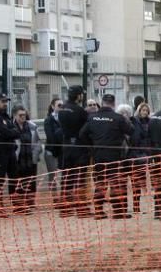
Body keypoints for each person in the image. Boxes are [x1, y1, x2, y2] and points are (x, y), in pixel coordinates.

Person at [79, 93, 132, 220]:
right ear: (113, 104)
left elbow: (82, 134)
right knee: (115, 184)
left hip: (98, 155)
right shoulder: (118, 117)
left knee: (100, 183)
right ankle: (118, 212)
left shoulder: (93, 118)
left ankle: (98, 211)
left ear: (102, 103)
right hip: (114, 155)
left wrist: (92, 146)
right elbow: (130, 131)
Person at [59, 86, 93, 218]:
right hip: (79, 146)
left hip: (66, 144)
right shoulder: (80, 111)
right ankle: (81, 208)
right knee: (80, 177)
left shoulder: (62, 109)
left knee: (67, 177)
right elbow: (85, 129)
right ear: (79, 96)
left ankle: (65, 208)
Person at [11, 106, 41, 214]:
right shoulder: (11, 127)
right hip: (18, 159)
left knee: (31, 181)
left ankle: (29, 202)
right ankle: (19, 205)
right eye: (20, 115)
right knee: (19, 181)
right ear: (14, 115)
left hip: (30, 157)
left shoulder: (32, 126)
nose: (23, 117)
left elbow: (37, 142)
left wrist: (36, 155)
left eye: (24, 114)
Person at [125, 102, 152, 214]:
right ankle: (135, 207)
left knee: (140, 182)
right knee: (135, 182)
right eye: (142, 110)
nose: (144, 112)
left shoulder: (150, 122)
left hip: (144, 155)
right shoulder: (134, 122)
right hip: (134, 155)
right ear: (139, 111)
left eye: (146, 110)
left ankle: (137, 207)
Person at [43, 98, 63, 189]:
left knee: (65, 176)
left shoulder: (64, 118)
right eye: (59, 105)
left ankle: (63, 197)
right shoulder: (48, 120)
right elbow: (50, 137)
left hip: (62, 151)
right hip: (52, 151)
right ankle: (54, 199)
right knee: (53, 177)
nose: (61, 107)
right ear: (52, 106)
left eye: (62, 105)